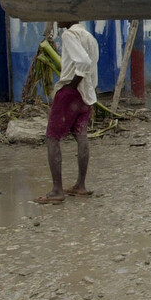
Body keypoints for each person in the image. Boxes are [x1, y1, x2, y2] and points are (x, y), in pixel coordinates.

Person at [33, 21, 99, 204]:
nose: (55, 21)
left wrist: (72, 84)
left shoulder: (69, 35)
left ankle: (57, 190)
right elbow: (92, 67)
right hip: (87, 95)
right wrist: (87, 87)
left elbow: (84, 62)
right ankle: (80, 185)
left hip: (70, 93)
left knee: (52, 138)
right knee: (81, 136)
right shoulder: (89, 37)